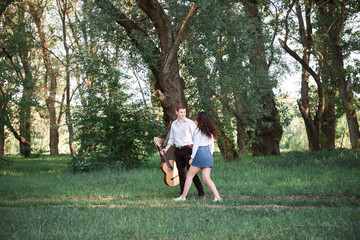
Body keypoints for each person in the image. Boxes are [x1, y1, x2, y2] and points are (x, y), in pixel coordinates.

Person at [174, 112, 222, 202]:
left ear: (199, 120)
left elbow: (195, 146)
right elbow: (211, 146)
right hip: (207, 153)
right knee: (206, 178)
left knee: (189, 176)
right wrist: (208, 155)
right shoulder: (209, 132)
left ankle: (183, 197)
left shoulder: (198, 131)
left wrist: (192, 158)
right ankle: (217, 197)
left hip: (199, 153)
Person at [163, 105, 205, 199]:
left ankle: (201, 193)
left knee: (192, 173)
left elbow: (196, 137)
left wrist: (195, 151)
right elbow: (172, 139)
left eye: (184, 112)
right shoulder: (174, 124)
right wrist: (166, 149)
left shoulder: (190, 123)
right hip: (178, 150)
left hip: (188, 149)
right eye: (181, 112)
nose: (183, 114)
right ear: (176, 112)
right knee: (181, 174)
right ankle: (183, 195)